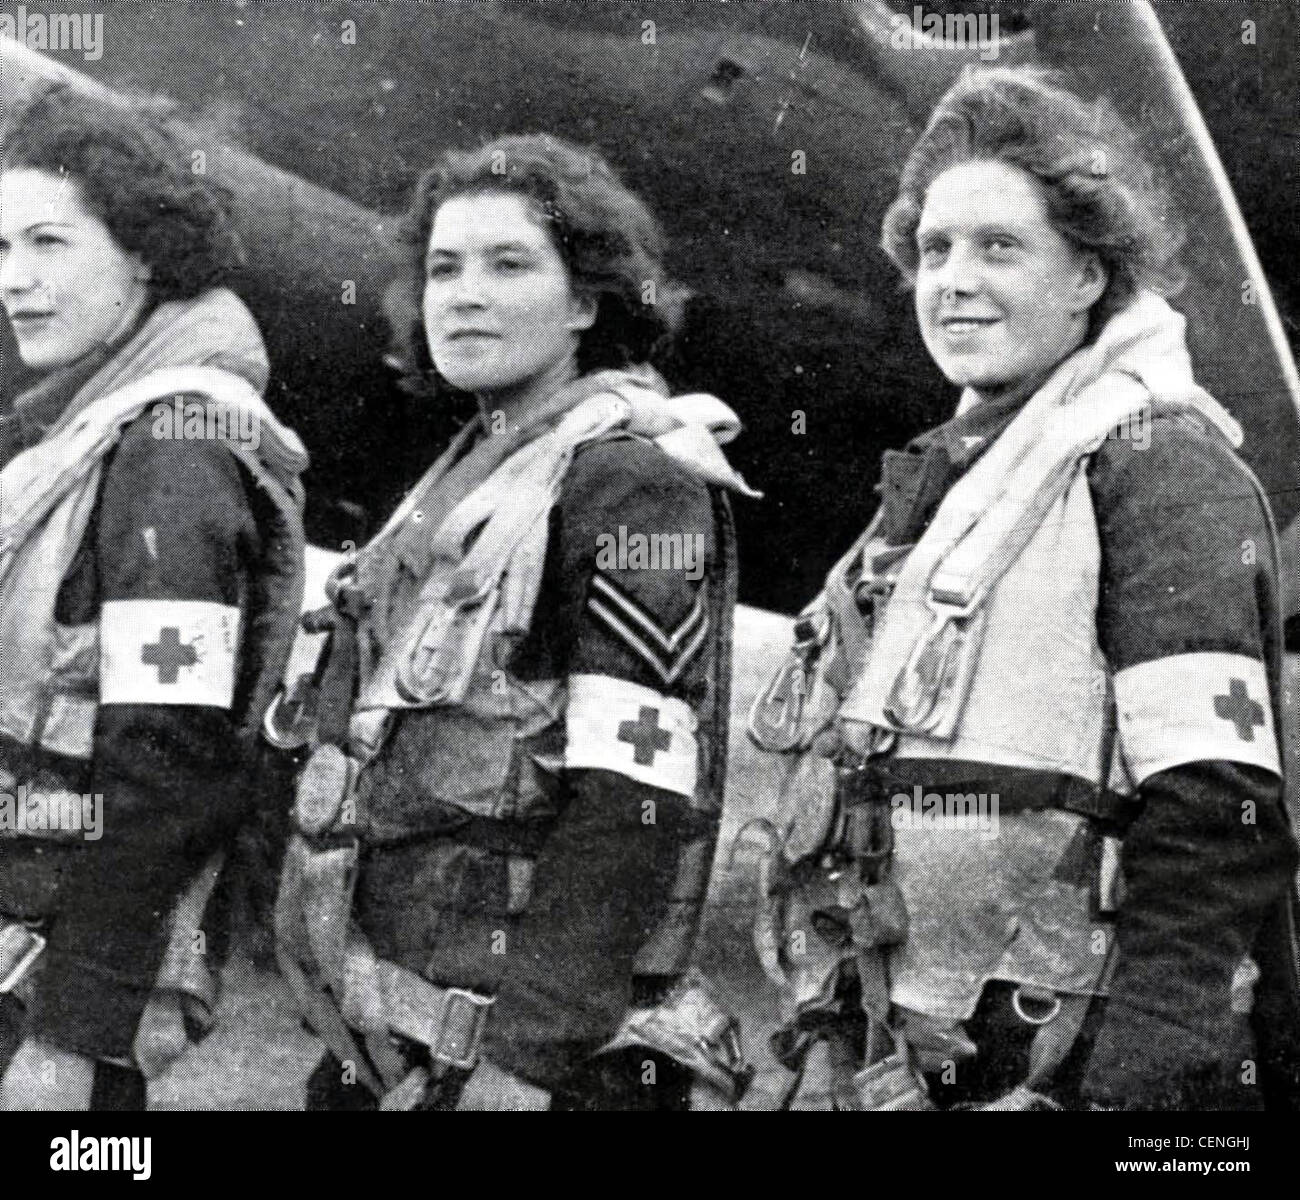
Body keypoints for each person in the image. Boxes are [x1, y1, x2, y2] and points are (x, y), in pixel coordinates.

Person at [748, 66, 1300, 1111]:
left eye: (999, 247)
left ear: (1090, 275)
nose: (952, 279)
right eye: (933, 249)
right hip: (905, 1048)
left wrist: (1128, 1093)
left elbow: (1217, 811)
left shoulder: (1155, 465)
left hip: (1066, 1063)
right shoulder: (940, 479)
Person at [274, 133, 755, 1111]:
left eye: (508, 264)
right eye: (443, 267)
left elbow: (636, 802)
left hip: (518, 1060)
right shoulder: (467, 468)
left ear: (585, 302)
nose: (462, 292)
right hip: (391, 1038)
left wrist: (524, 1066)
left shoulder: (633, 482)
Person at [0, 83, 309, 1110]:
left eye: (49, 244)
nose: (15, 282)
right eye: (1, 251)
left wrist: (71, 1040)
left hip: (51, 1006)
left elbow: (168, 762)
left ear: (141, 252)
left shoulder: (175, 444)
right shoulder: (99, 428)